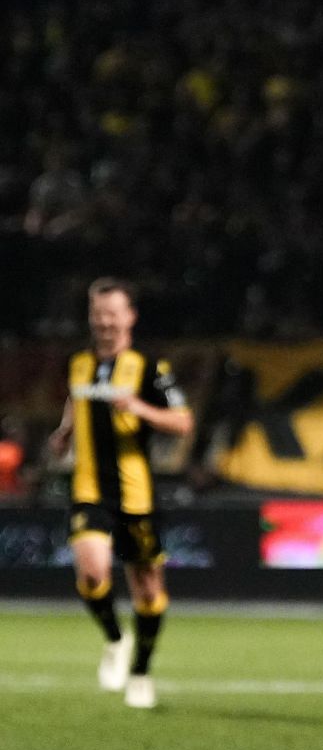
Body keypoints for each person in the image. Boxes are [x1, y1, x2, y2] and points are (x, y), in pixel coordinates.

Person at [47, 279, 195, 709]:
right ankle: (115, 639)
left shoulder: (150, 369)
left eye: (112, 313)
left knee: (148, 590)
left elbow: (183, 422)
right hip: (89, 489)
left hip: (135, 496)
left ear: (130, 316)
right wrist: (64, 433)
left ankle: (142, 671)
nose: (104, 321)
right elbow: (76, 403)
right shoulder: (79, 364)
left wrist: (139, 408)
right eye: (98, 313)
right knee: (92, 573)